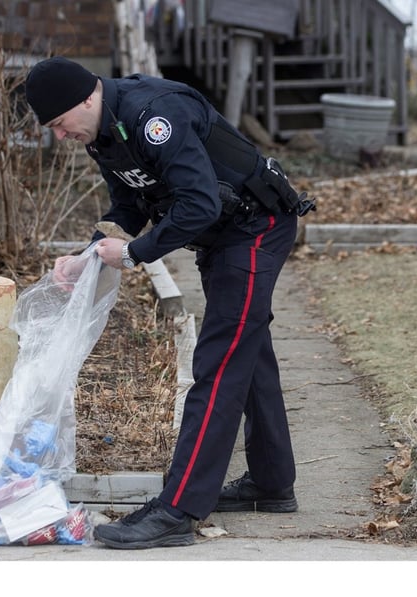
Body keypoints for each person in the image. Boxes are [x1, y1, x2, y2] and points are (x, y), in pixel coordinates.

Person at [24, 56, 315, 550]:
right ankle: (271, 483)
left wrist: (135, 254)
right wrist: (85, 256)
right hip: (223, 235)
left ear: (87, 98)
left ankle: (178, 510)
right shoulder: (104, 134)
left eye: (58, 123)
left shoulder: (154, 116)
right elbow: (128, 206)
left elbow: (198, 202)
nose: (60, 135)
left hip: (255, 229)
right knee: (247, 350)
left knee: (218, 364)